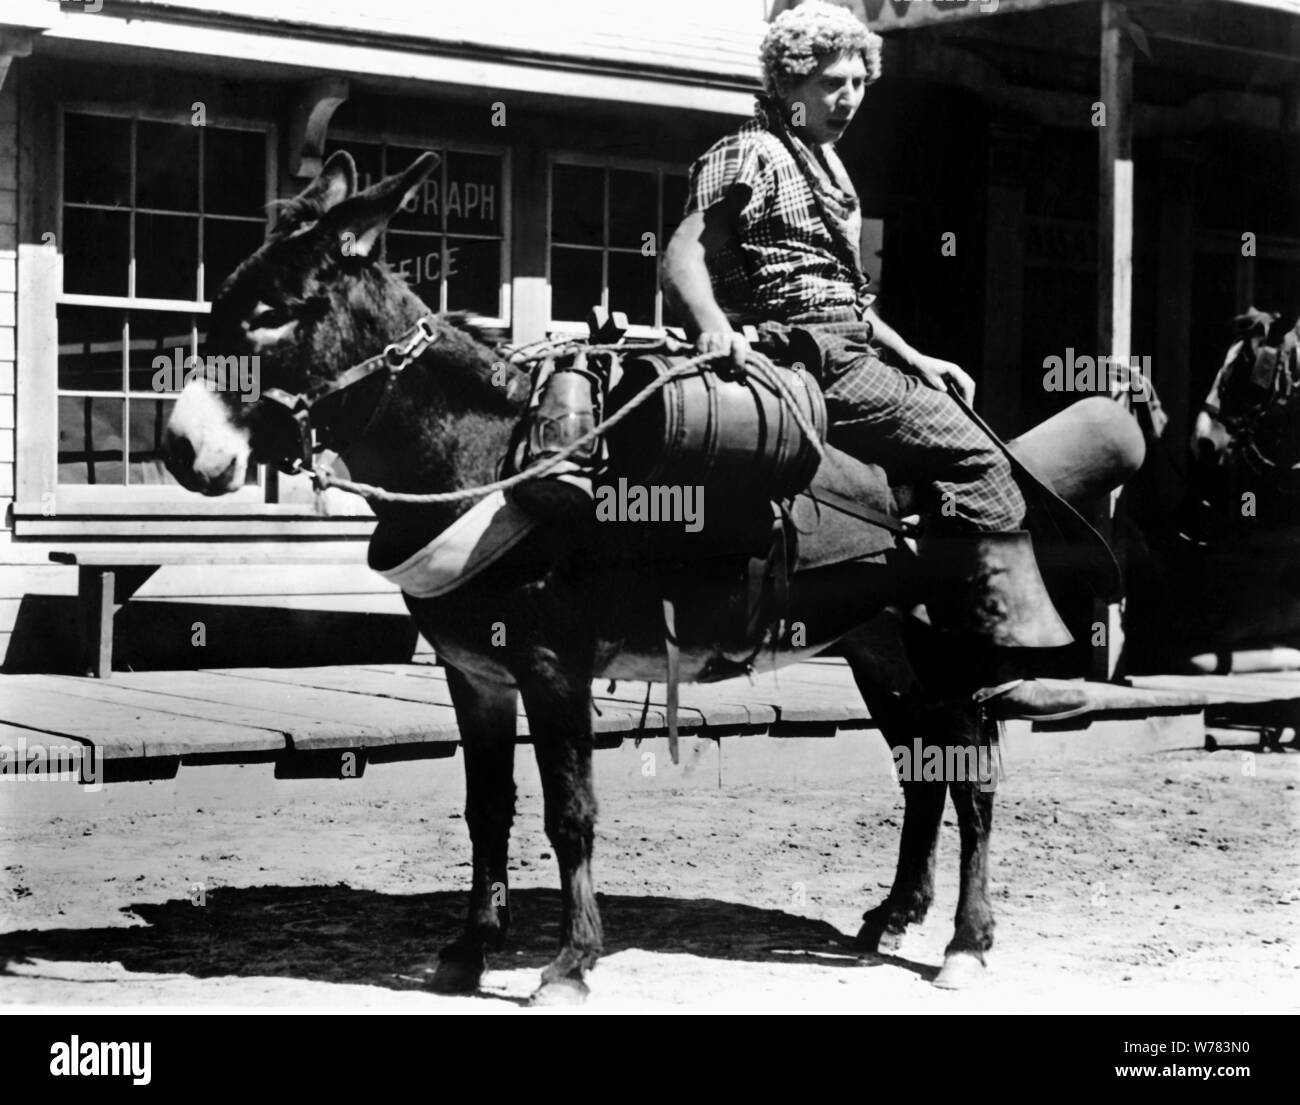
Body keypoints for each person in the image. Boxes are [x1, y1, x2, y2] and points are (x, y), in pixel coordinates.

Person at [657, 0, 1087, 719]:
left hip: (847, 344)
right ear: (787, 83)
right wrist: (711, 326)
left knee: (945, 431)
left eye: (858, 82)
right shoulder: (751, 150)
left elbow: (850, 300)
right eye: (831, 82)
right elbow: (682, 254)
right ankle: (991, 667)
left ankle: (918, 612)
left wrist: (918, 356)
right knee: (982, 460)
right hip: (808, 355)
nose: (848, 97)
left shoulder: (825, 166)